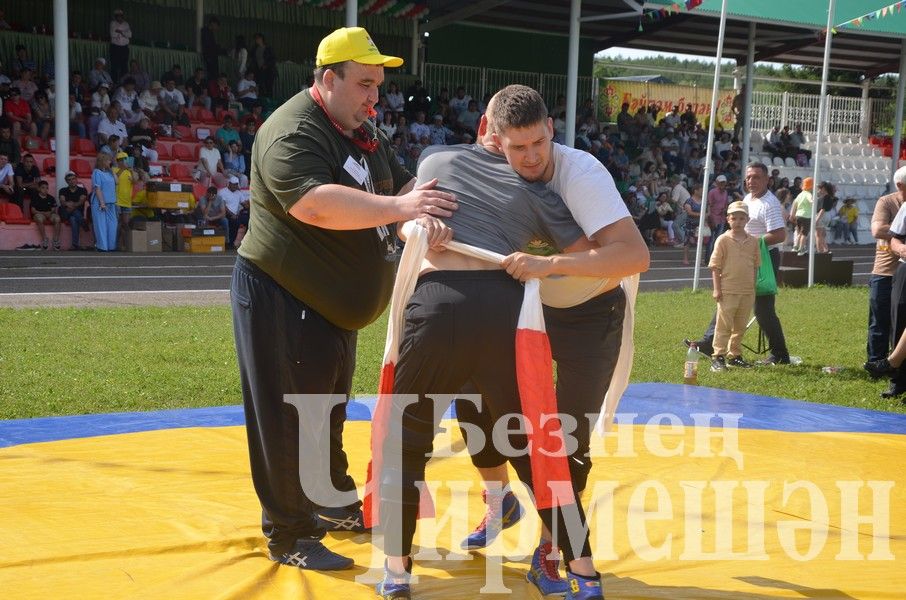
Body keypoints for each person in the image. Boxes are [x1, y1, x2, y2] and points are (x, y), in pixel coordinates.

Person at [376, 85, 648, 600]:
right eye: (517, 147)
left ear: (552, 132)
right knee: (524, 440)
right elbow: (407, 213)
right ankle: (574, 562)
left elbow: (625, 254)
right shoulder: (526, 191)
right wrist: (421, 221)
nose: (530, 157)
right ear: (492, 136)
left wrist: (549, 263)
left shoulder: (571, 176)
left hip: (580, 308)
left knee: (559, 443)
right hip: (514, 310)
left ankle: (400, 570)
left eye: (538, 145)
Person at [229, 26, 456, 573]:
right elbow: (314, 204)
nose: (374, 97)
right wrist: (404, 211)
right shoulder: (292, 131)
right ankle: (289, 532)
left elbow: (400, 185)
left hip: (329, 309)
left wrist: (419, 210)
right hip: (282, 295)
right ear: (327, 79)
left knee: (324, 413)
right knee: (286, 418)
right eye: (364, 84)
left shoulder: (361, 129)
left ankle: (330, 504)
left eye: (378, 85)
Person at [685, 161, 790, 364]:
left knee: (763, 310)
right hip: (741, 258)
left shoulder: (770, 203)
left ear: (768, 179)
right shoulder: (748, 200)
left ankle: (780, 353)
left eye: (757, 177)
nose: (751, 181)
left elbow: (779, 235)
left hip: (763, 259)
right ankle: (709, 343)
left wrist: (751, 243)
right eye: (748, 177)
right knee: (727, 299)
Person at [708, 201, 760, 371]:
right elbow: (715, 266)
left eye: (741, 218)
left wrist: (753, 287)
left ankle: (735, 355)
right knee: (723, 325)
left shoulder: (753, 241)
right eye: (734, 218)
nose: (738, 222)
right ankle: (718, 356)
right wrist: (717, 289)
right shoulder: (723, 240)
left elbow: (755, 266)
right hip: (728, 289)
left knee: (740, 326)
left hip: (747, 291)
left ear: (747, 220)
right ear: (728, 219)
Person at [866, 167, 906, 371]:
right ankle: (875, 362)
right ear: (900, 185)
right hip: (884, 270)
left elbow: (884, 229)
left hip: (903, 273)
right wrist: (900, 231)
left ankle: (895, 363)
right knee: (879, 320)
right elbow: (876, 230)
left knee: (900, 321)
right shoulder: (887, 202)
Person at [90, 152, 118, 252]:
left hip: (111, 202)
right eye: (108, 160)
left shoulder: (110, 172)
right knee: (100, 225)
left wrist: (112, 170)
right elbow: (97, 188)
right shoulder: (97, 172)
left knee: (113, 225)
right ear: (103, 161)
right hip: (99, 202)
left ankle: (111, 246)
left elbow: (117, 182)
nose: (110, 161)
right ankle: (102, 247)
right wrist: (102, 203)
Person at [58, 171, 89, 250]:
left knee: (73, 218)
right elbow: (62, 202)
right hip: (66, 214)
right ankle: (83, 223)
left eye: (73, 179)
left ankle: (74, 245)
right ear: (66, 181)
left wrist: (70, 204)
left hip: (75, 214)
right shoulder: (62, 190)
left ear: (76, 179)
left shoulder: (83, 190)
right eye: (69, 180)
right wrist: (72, 204)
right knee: (75, 213)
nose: (72, 181)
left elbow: (81, 202)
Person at [217, 175, 248, 248]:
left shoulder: (238, 193)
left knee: (249, 220)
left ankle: (246, 244)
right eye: (234, 184)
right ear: (229, 184)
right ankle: (229, 243)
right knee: (235, 222)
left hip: (235, 215)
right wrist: (231, 214)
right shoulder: (222, 192)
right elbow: (223, 206)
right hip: (225, 214)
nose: (235, 186)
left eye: (236, 184)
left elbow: (245, 205)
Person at [30, 180, 62, 250]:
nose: (45, 190)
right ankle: (45, 239)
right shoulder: (34, 197)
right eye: (43, 188)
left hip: (49, 214)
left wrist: (50, 213)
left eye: (47, 188)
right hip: (39, 214)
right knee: (39, 218)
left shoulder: (51, 198)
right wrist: (44, 213)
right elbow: (33, 211)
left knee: (57, 218)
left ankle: (55, 240)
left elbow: (53, 209)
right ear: (38, 188)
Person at [113, 151, 136, 250]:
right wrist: (122, 169)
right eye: (120, 160)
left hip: (127, 202)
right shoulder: (114, 169)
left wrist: (131, 170)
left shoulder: (130, 171)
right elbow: (114, 179)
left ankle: (125, 244)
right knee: (117, 224)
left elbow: (135, 181)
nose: (123, 162)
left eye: (125, 160)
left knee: (125, 224)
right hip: (117, 201)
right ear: (117, 161)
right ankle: (114, 244)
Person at [706, 174, 729, 260]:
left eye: (724, 183)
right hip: (713, 217)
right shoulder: (712, 192)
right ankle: (708, 258)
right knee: (712, 239)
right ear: (717, 183)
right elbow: (709, 205)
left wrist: (725, 210)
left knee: (718, 239)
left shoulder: (725, 192)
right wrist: (710, 217)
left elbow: (726, 204)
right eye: (721, 183)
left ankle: (716, 258)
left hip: (721, 217)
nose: (722, 184)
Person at [789, 176, 813, 255]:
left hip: (798, 215)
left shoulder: (800, 195)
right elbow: (811, 201)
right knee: (804, 234)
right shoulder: (808, 194)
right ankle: (801, 249)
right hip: (806, 216)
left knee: (799, 232)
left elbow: (794, 204)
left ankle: (795, 246)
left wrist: (792, 215)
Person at [109, 9, 132, 82]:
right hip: (115, 47)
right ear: (115, 17)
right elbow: (113, 34)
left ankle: (124, 82)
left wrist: (120, 31)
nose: (119, 18)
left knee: (124, 66)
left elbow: (130, 35)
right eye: (117, 16)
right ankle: (114, 82)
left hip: (124, 48)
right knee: (114, 66)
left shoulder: (126, 24)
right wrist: (124, 33)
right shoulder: (113, 23)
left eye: (121, 16)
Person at [201, 17, 224, 83]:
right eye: (216, 25)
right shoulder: (205, 31)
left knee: (214, 74)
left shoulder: (210, 32)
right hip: (210, 56)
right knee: (212, 74)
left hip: (212, 56)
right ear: (212, 23)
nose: (217, 28)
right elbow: (208, 44)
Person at [815, 181, 836, 254]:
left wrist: (817, 219)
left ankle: (819, 251)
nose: (819, 190)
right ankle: (826, 249)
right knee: (822, 234)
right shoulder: (829, 197)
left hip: (822, 215)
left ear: (823, 188)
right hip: (826, 215)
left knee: (818, 235)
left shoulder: (825, 197)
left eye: (820, 189)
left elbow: (822, 209)